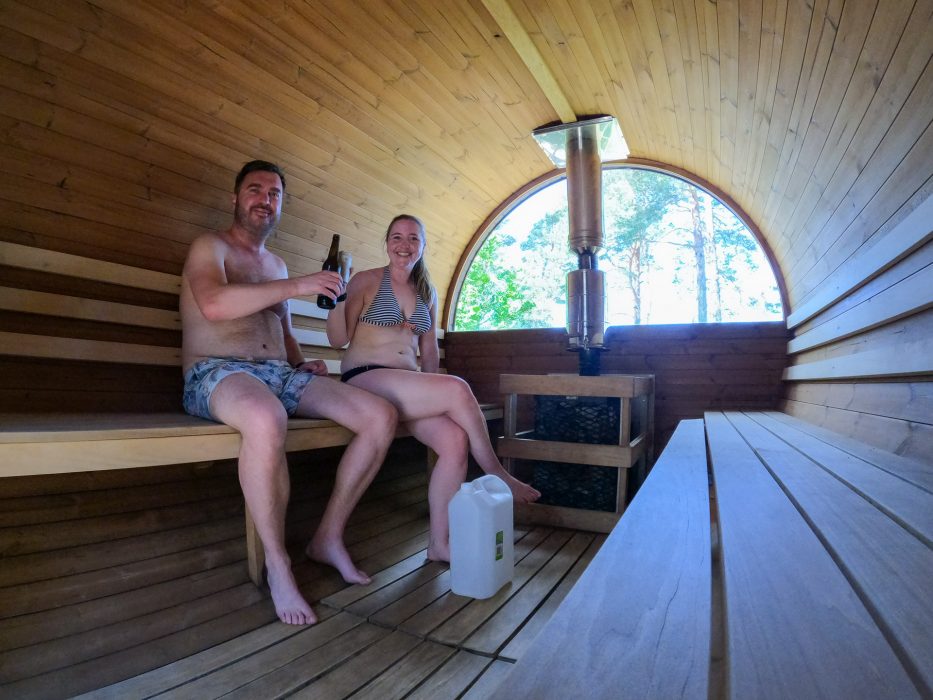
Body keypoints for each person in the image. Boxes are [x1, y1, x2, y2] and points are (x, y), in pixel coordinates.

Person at [180, 160, 399, 626]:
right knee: (266, 419)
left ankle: (328, 537)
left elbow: (282, 327)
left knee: (380, 415)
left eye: (274, 193)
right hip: (216, 373)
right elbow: (214, 305)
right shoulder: (211, 247)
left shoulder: (275, 264)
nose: (265, 199)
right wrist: (300, 284)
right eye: (255, 189)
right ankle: (278, 564)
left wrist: (300, 362)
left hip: (281, 372)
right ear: (235, 199)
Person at [326, 214, 540, 562]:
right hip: (366, 380)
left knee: (454, 441)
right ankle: (497, 473)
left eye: (413, 238)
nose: (404, 245)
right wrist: (336, 295)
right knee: (456, 389)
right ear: (387, 243)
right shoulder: (366, 280)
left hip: (407, 389)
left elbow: (428, 352)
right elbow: (337, 339)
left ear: (423, 246)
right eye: (396, 237)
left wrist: (431, 393)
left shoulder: (426, 291)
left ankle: (439, 544)